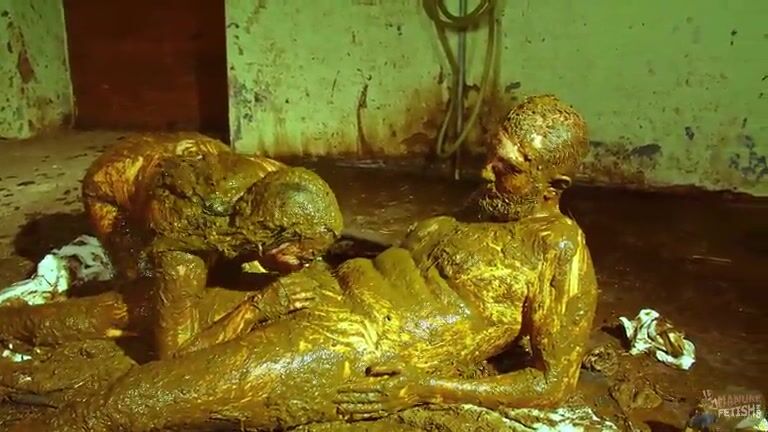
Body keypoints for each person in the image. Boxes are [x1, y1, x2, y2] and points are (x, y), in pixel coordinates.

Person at [8, 95, 597, 432]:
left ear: (555, 186)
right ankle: (15, 328)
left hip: (351, 339)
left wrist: (424, 389)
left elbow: (553, 383)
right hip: (321, 290)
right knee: (135, 307)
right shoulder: (484, 206)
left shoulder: (558, 251)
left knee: (137, 399)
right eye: (491, 156)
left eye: (508, 168)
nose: (486, 172)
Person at [5, 132, 344, 360]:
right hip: (112, 184)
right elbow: (175, 354)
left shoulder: (279, 180)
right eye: (304, 256)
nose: (308, 264)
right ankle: (16, 323)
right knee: (144, 295)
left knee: (220, 274)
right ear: (269, 238)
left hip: (190, 154)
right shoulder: (184, 244)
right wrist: (257, 307)